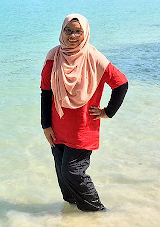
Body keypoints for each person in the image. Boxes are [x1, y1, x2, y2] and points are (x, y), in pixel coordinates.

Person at [40, 13, 128, 212]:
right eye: (68, 31)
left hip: (82, 127)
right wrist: (45, 125)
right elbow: (46, 91)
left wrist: (108, 112)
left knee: (72, 171)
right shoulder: (53, 56)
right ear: (61, 31)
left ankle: (97, 212)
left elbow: (121, 83)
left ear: (85, 33)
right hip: (57, 127)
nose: (72, 36)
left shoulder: (94, 57)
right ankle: (72, 215)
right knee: (62, 176)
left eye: (78, 32)